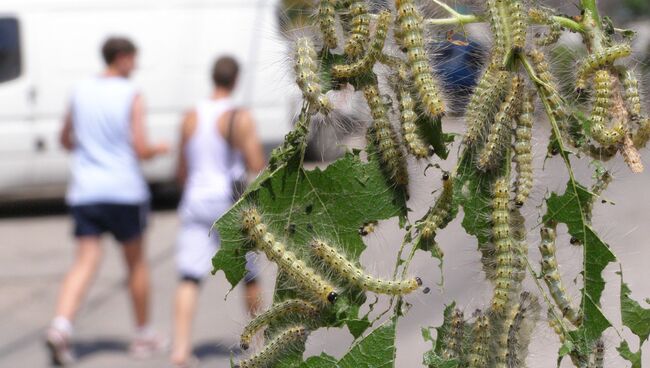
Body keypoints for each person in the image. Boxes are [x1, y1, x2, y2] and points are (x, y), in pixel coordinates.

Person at [45, 37, 169, 366]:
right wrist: (159, 148)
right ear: (123, 58)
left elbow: (64, 138)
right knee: (136, 264)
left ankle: (61, 326)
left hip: (86, 190)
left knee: (85, 261)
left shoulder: (80, 89)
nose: (136, 66)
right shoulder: (131, 94)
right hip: (124, 190)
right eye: (134, 59)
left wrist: (89, 149)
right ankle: (143, 334)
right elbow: (140, 148)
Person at [171, 56, 265, 367]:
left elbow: (180, 170)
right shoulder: (239, 118)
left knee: (189, 275)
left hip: (196, 200)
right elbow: (255, 164)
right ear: (235, 80)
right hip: (229, 203)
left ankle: (181, 350)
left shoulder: (190, 116)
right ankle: (259, 342)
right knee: (249, 275)